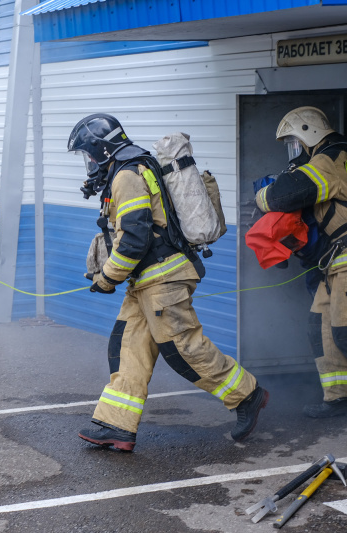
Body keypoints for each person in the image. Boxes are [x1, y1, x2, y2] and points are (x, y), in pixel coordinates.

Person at [67, 114, 268, 451]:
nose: (88, 163)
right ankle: (116, 425)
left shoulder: (127, 176)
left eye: (88, 155)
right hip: (146, 281)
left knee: (183, 349)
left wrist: (107, 277)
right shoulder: (133, 166)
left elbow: (134, 237)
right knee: (127, 346)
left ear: (101, 151)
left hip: (163, 278)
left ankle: (247, 395)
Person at [255, 107, 347, 418]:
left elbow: (281, 196)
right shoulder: (342, 155)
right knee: (322, 329)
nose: (296, 151)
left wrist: (261, 195)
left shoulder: (326, 161)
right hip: (340, 264)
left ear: (309, 132)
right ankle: (342, 398)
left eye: (295, 142)